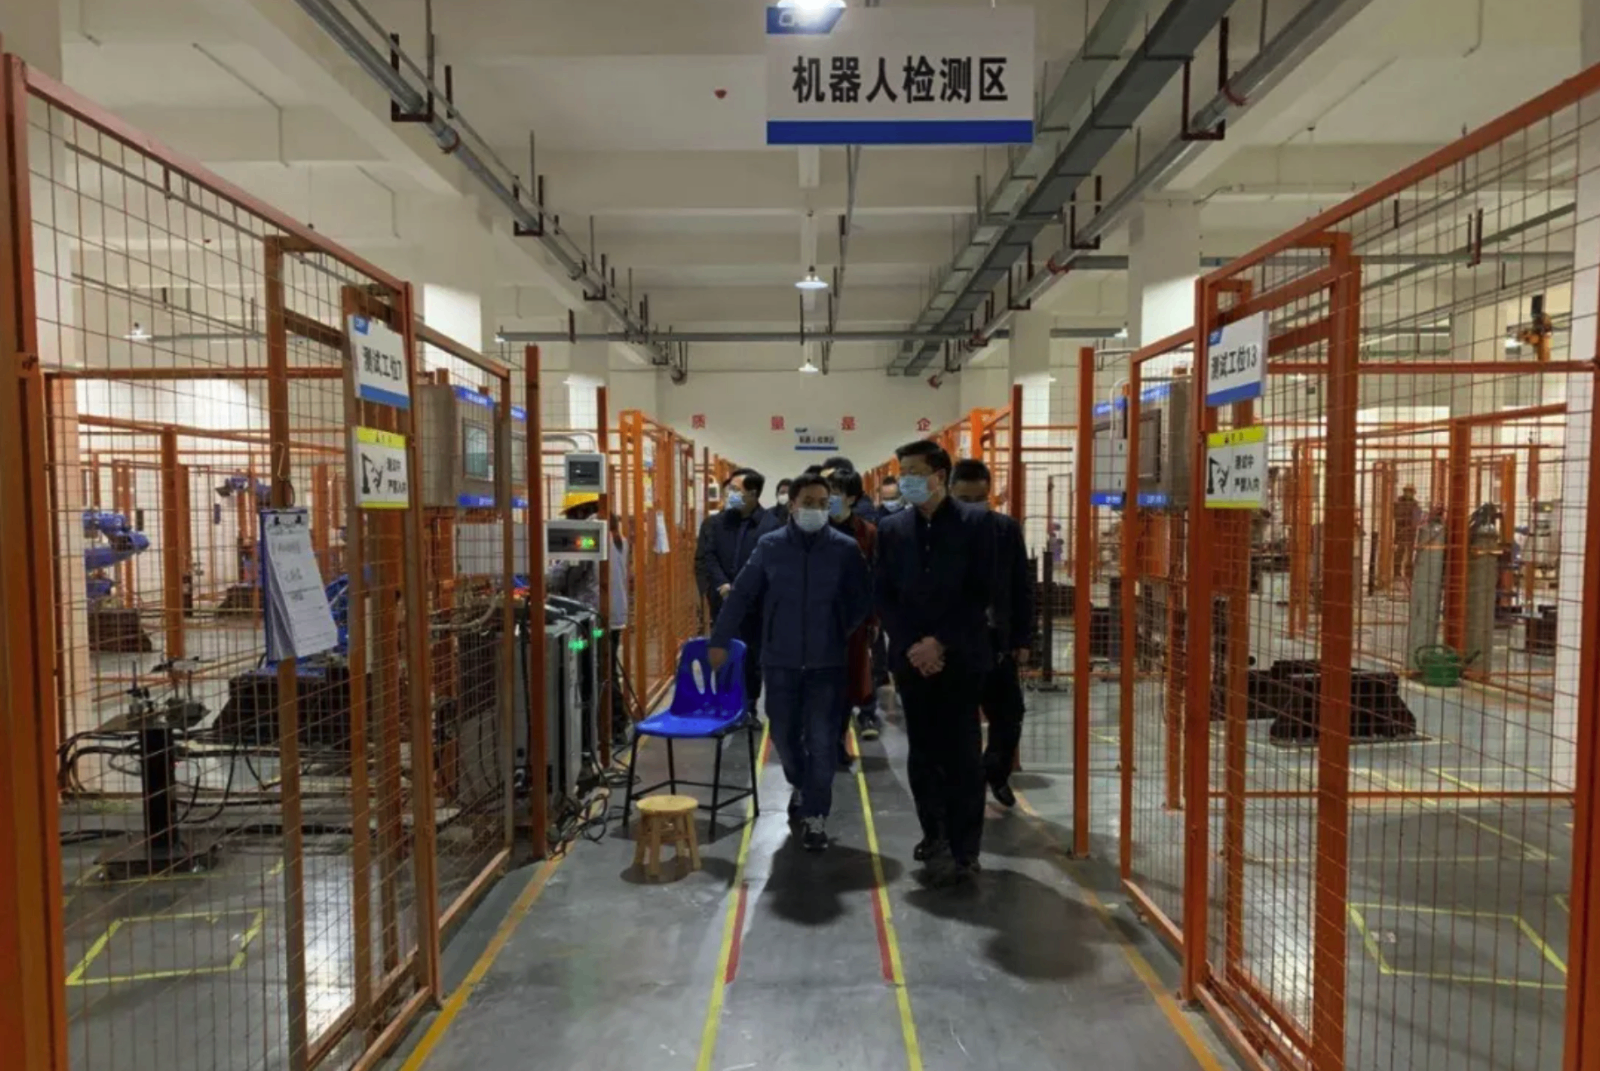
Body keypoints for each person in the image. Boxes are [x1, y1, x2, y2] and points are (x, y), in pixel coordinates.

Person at [709, 474, 871, 851]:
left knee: (822, 740)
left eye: (823, 503)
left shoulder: (844, 549)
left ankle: (816, 815)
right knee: (783, 735)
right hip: (779, 661)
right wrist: (720, 640)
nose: (816, 509)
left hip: (826, 664)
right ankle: (800, 783)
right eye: (808, 502)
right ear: (792, 505)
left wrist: (838, 631)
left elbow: (862, 598)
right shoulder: (770, 545)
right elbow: (741, 594)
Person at [875, 440, 997, 886]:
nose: (905, 478)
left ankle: (966, 848)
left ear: (939, 476)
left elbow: (981, 593)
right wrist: (913, 645)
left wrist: (939, 643)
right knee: (923, 752)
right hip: (912, 661)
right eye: (902, 470)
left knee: (963, 753)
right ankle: (934, 834)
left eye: (913, 471)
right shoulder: (893, 529)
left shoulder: (976, 524)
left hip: (960, 657)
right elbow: (885, 594)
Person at [948, 459, 1034, 809]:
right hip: (952, 645)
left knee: (1009, 716)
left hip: (997, 642)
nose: (972, 505)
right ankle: (967, 785)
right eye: (964, 499)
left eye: (979, 498)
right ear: (950, 493)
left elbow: (1021, 586)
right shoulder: (938, 531)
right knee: (960, 722)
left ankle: (995, 773)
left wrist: (1023, 639)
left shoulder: (1005, 530)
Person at [695, 468, 781, 722]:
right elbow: (707, 557)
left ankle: (749, 707)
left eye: (735, 489)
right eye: (728, 489)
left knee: (753, 656)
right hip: (722, 601)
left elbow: (771, 565)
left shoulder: (771, 525)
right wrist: (722, 585)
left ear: (753, 494)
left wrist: (745, 589)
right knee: (722, 651)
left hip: (756, 603)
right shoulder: (715, 523)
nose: (729, 494)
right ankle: (725, 704)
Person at [546, 491, 632, 742]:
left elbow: (562, 575)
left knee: (588, 668)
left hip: (592, 621)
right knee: (606, 668)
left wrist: (539, 577)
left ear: (581, 512)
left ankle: (599, 730)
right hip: (614, 618)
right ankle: (615, 725)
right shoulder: (617, 535)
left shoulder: (587, 535)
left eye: (571, 516)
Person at [827, 470, 883, 752]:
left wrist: (873, 619)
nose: (828, 498)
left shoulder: (867, 533)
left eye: (835, 493)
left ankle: (839, 739)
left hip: (854, 622)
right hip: (818, 619)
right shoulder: (814, 528)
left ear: (851, 498)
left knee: (850, 680)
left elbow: (875, 579)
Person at [1394, 484, 1422, 581]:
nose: (1408, 493)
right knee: (1399, 552)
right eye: (1407, 491)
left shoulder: (1415, 504)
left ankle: (1408, 573)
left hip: (1410, 532)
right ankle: (1396, 572)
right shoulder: (1398, 503)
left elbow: (1417, 519)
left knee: (1410, 553)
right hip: (1400, 531)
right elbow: (1396, 516)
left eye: (1410, 491)